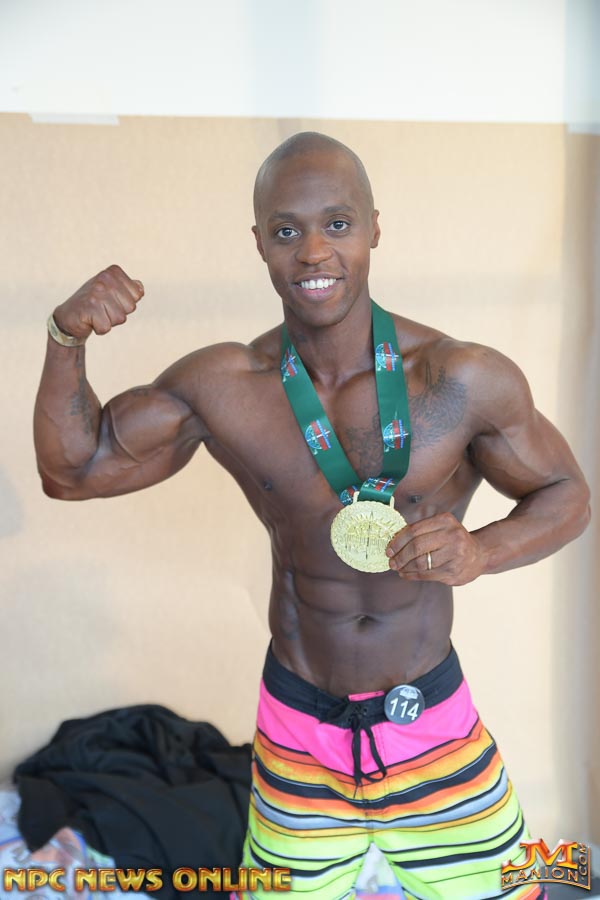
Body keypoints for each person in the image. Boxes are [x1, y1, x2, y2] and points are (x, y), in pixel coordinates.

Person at [34, 132, 590, 900]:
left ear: (374, 228)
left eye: (337, 224)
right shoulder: (226, 384)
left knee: (502, 891)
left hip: (429, 717)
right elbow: (71, 473)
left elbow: (567, 493)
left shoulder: (462, 377)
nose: (314, 252)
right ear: (259, 243)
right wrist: (65, 338)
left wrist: (482, 550)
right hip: (297, 726)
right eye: (287, 231)